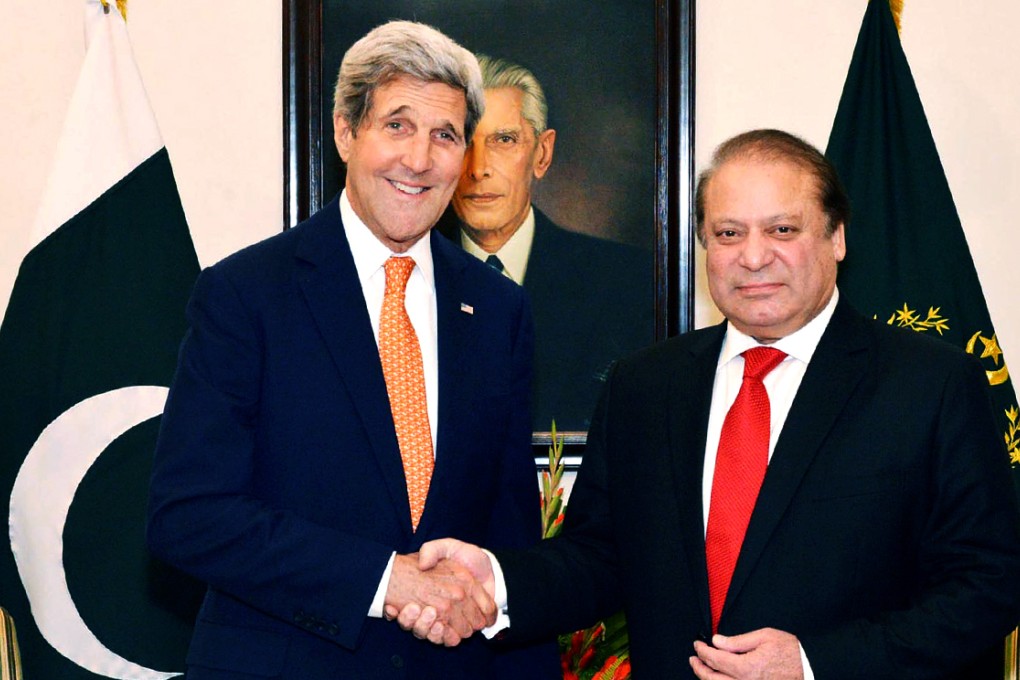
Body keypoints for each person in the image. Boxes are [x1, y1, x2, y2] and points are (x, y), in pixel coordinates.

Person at [404, 129, 1020, 678]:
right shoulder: (644, 385)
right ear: (704, 246)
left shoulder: (931, 384)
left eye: (782, 229)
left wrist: (812, 664)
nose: (753, 256)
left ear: (836, 237)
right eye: (729, 233)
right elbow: (599, 558)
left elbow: (988, 586)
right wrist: (499, 582)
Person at [146, 20, 558, 678]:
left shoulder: (498, 309)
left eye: (445, 135)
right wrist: (381, 580)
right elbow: (188, 516)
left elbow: (510, 531)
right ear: (346, 132)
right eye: (397, 125)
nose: (420, 159)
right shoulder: (245, 295)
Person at [436, 55, 652, 432]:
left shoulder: (625, 283)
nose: (478, 167)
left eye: (504, 140)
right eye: (463, 141)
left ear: (542, 154)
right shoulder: (406, 276)